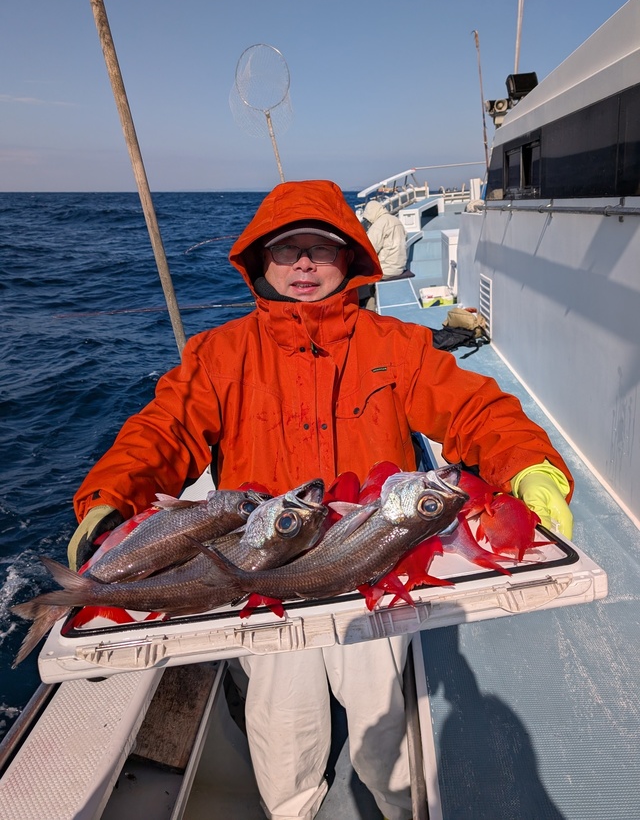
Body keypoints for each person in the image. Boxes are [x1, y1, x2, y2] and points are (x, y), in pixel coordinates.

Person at [68, 179, 573, 820]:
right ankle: (294, 809)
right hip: (262, 569)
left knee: (383, 720)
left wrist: (530, 466)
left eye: (321, 249)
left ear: (351, 261)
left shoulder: (398, 346)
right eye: (286, 250)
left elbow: (474, 408)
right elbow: (163, 431)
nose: (304, 264)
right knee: (283, 722)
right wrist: (109, 503)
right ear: (260, 263)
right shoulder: (219, 354)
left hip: (371, 559)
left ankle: (396, 805)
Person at [361, 198, 408, 278]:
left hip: (385, 269)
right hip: (399, 268)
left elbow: (370, 249)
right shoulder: (396, 220)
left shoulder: (379, 224)